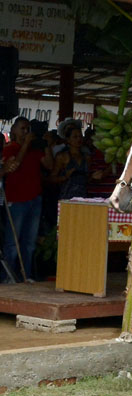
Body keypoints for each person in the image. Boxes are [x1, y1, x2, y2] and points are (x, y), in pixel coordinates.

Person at [1, 117, 54, 282]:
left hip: (34, 199)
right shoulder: (11, 148)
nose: (26, 132)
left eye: (28, 129)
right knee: (12, 242)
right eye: (23, 129)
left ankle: (26, 275)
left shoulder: (35, 149)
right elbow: (15, 164)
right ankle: (8, 277)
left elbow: (49, 166)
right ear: (14, 131)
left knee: (29, 243)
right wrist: (25, 144)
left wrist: (46, 146)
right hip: (16, 200)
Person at [50, 123, 103, 200]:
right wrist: (65, 177)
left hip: (83, 198)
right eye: (75, 137)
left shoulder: (87, 157)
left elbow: (86, 180)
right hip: (66, 198)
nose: (79, 139)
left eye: (80, 136)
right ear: (68, 140)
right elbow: (52, 178)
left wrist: (93, 177)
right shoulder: (62, 157)